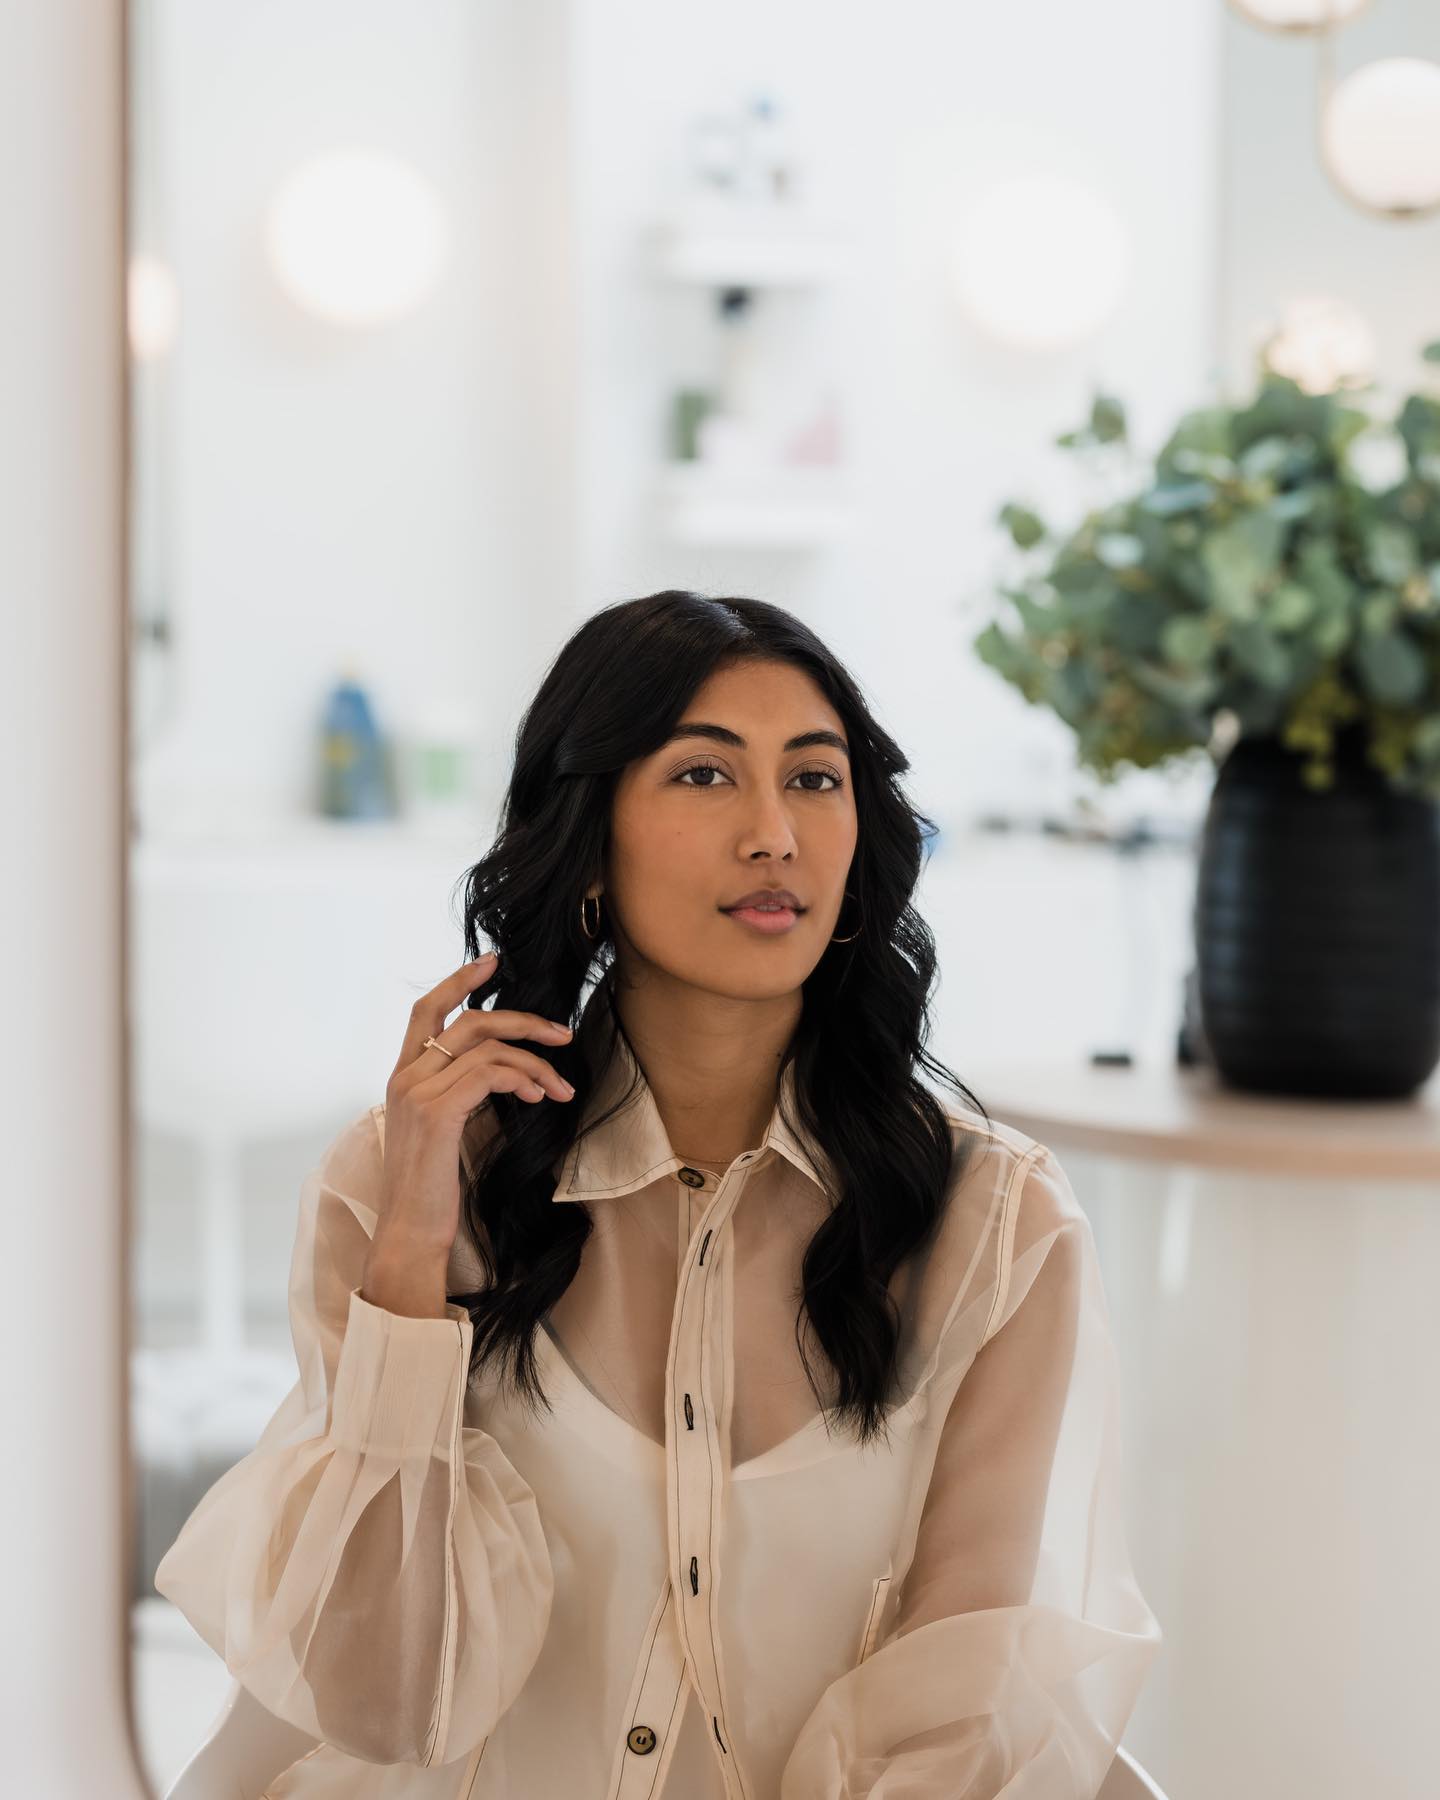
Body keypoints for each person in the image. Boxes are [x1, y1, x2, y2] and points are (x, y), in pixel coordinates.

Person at [154, 589, 1163, 1797]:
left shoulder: (996, 1231)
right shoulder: (403, 1184)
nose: (774, 834)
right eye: (702, 776)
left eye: (814, 779)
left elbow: (958, 1713)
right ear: (589, 845)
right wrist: (417, 1236)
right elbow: (380, 1690)